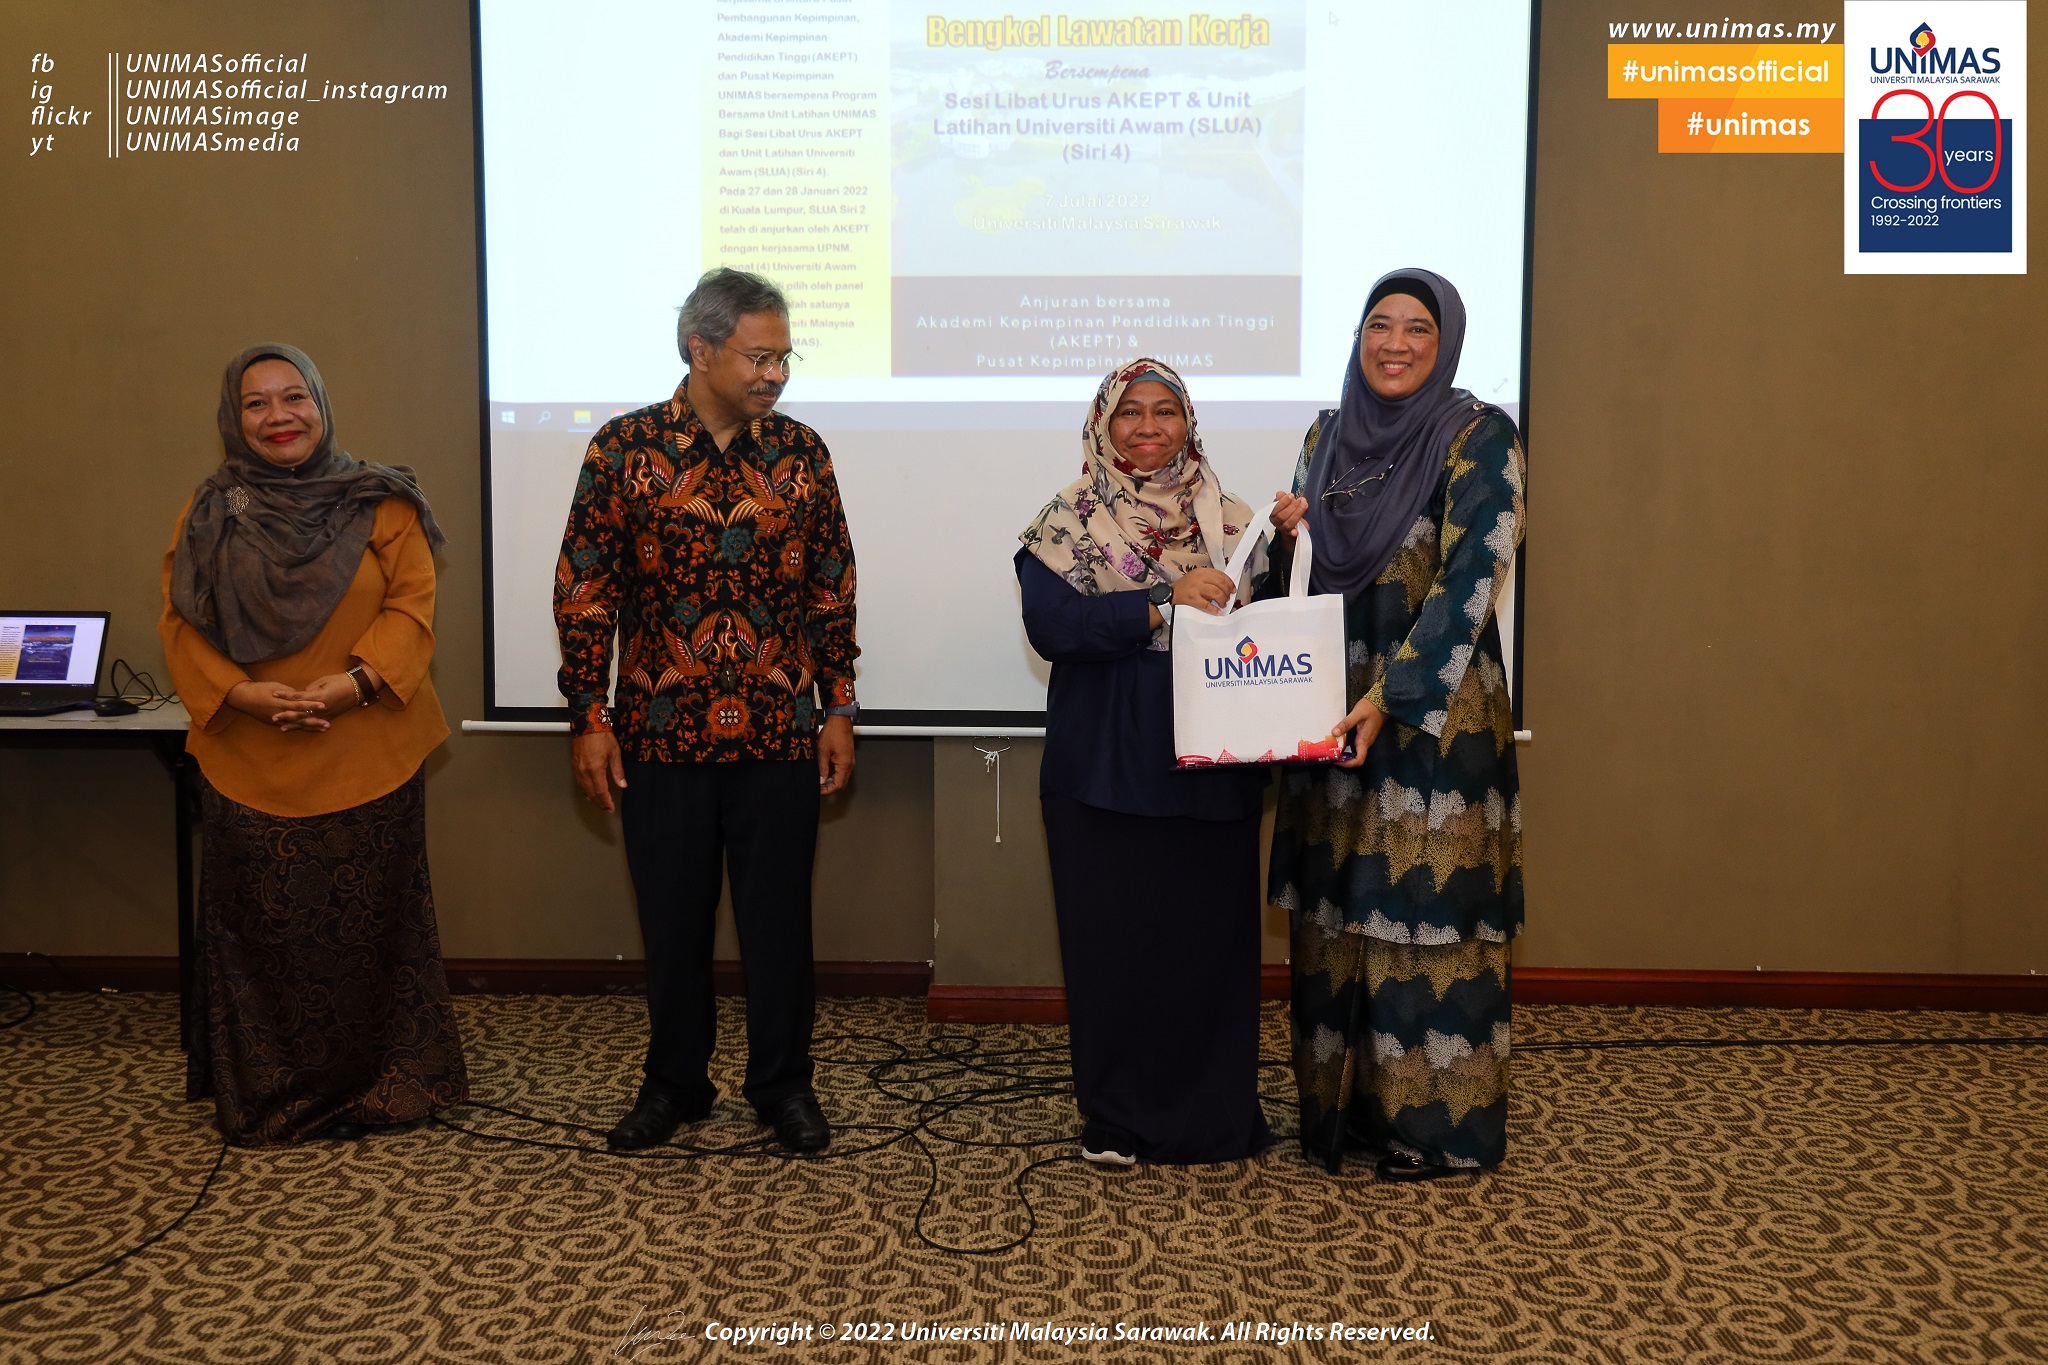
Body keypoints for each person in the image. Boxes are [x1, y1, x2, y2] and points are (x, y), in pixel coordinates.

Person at [556, 267, 857, 1155]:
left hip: (778, 731)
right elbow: (585, 590)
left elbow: (832, 587)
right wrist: (588, 715)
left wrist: (838, 707)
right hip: (660, 732)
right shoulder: (623, 449)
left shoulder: (802, 453)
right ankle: (674, 1084)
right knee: (673, 922)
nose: (775, 374)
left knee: (779, 925)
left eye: (784, 357)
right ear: (701, 349)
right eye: (759, 357)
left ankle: (784, 1086)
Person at [160, 343, 467, 1146]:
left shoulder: (382, 501)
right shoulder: (210, 510)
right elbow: (180, 620)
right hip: (248, 756)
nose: (278, 416)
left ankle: (384, 1089)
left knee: (370, 934)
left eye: (293, 396)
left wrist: (353, 685)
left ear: (321, 403)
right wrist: (241, 694)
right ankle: (273, 1097)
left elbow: (411, 607)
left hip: (368, 748)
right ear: (234, 418)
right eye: (256, 403)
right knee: (268, 939)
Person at [1262, 269, 1526, 1181]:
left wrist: (1389, 696)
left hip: (1431, 722)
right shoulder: (1325, 437)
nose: (1396, 343)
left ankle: (1439, 1131)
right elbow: (1302, 585)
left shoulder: (1478, 437)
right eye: (1380, 324)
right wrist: (1287, 541)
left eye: (1419, 327)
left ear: (1445, 342)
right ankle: (1349, 1118)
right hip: (1331, 713)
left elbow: (1472, 581)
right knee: (1340, 913)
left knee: (1423, 917)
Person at [1016, 358, 1305, 1166]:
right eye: (1130, 412)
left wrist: (1291, 546)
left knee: (1208, 947)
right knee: (1112, 947)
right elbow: (1052, 628)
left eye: (1165, 410)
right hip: (1104, 763)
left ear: (1189, 423)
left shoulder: (1237, 521)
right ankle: (1116, 1117)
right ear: (1103, 425)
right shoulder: (1065, 520)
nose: (1148, 426)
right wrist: (1157, 603)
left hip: (1213, 762)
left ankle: (1216, 1115)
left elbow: (1280, 625)